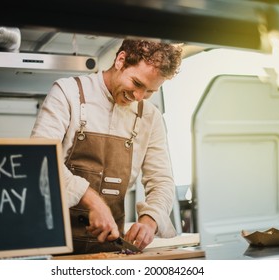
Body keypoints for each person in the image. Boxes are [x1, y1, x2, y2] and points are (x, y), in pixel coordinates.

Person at [31, 39, 183, 254]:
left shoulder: (150, 117)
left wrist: (150, 220)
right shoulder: (68, 93)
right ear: (121, 60)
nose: (138, 97)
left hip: (108, 250)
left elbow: (162, 181)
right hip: (50, 245)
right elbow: (40, 159)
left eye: (149, 91)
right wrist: (93, 200)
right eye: (137, 84)